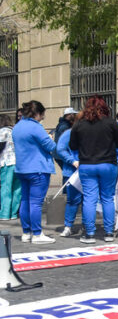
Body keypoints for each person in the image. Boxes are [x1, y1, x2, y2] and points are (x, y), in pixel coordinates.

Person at [69, 95, 118, 243]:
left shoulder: (79, 124)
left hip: (87, 165)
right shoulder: (111, 123)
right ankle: (108, 233)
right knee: (107, 198)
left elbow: (72, 145)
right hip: (108, 164)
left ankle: (90, 234)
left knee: (89, 198)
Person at [12, 100, 57, 243]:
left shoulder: (17, 127)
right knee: (36, 203)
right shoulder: (35, 127)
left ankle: (26, 232)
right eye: (42, 115)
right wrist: (50, 137)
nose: (42, 118)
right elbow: (51, 146)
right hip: (37, 169)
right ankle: (37, 234)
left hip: (22, 168)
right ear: (37, 113)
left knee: (25, 200)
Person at [56, 127, 82, 237]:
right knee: (72, 200)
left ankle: (87, 226)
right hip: (71, 172)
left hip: (88, 170)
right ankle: (68, 226)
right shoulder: (69, 133)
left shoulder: (93, 130)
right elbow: (60, 149)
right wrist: (72, 161)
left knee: (88, 200)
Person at [0, 114, 21, 221]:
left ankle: (4, 213)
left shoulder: (2, 131)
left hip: (6, 163)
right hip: (18, 163)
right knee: (17, 189)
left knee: (6, 188)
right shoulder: (15, 131)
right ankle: (13, 213)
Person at [53, 107, 77, 172]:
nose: (75, 116)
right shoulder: (65, 126)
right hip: (60, 154)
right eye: (74, 114)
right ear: (69, 115)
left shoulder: (62, 123)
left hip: (57, 153)